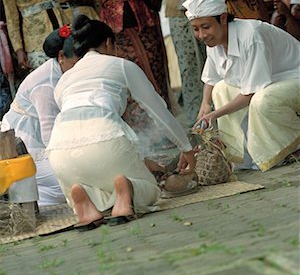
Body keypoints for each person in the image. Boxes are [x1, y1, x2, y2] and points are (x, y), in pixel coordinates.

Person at [47, 15, 195, 230]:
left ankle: (85, 199)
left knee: (91, 178)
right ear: (108, 43)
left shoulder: (64, 80)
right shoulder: (122, 65)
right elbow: (158, 111)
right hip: (106, 144)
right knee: (151, 189)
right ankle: (127, 192)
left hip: (60, 155)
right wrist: (187, 148)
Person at [182, 0, 300, 172]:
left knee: (263, 100)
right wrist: (205, 105)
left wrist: (213, 115)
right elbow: (212, 78)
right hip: (269, 83)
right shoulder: (214, 40)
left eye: (205, 27)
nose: (202, 35)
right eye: (196, 29)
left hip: (294, 79)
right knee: (221, 89)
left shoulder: (251, 35)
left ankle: (286, 149)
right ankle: (241, 155)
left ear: (223, 18)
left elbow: (251, 93)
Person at [1, 27, 79, 206]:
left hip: (40, 143)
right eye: (77, 60)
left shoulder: (61, 71)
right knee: (75, 179)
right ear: (61, 57)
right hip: (24, 146)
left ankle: (37, 191)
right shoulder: (45, 82)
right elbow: (49, 136)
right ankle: (35, 193)